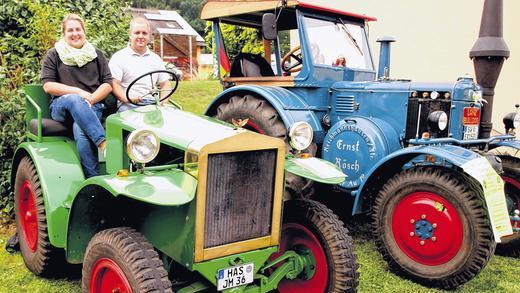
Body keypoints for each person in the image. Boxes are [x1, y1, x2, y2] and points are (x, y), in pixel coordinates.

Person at [41, 13, 112, 178]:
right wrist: (79, 92)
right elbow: (48, 85)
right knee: (75, 99)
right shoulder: (54, 54)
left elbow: (108, 83)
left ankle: (92, 180)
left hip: (92, 105)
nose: (75, 34)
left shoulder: (96, 54)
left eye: (78, 29)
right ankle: (103, 143)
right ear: (64, 34)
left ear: (84, 31)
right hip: (62, 106)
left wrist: (92, 99)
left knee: (80, 129)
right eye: (70, 30)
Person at [109, 17, 172, 112]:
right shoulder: (119, 57)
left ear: (149, 36)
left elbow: (165, 84)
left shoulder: (155, 59)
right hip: (128, 105)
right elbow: (114, 84)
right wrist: (127, 98)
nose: (141, 36)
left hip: (152, 103)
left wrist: (163, 103)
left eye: (144, 33)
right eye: (137, 33)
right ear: (130, 35)